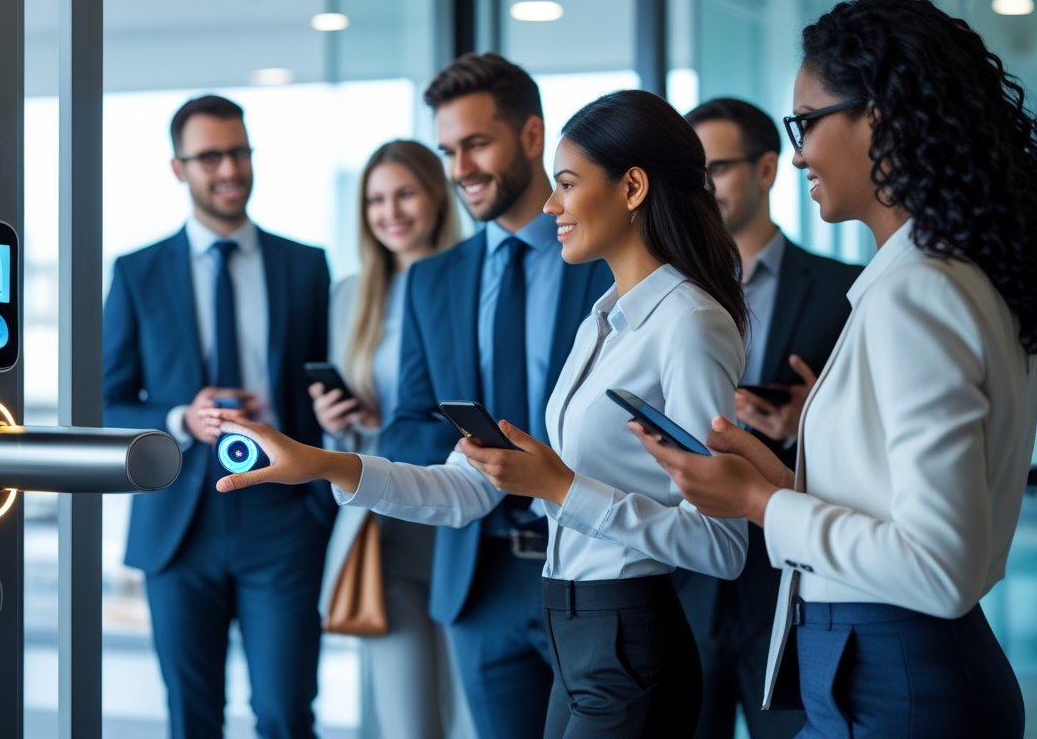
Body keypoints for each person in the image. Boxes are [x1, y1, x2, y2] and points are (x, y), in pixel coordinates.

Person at [207, 89, 753, 738]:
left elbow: (722, 545)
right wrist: (324, 463)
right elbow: (467, 489)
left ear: (631, 187)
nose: (551, 204)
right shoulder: (603, 321)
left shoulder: (690, 324)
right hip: (578, 631)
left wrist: (561, 488)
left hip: (629, 637)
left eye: (568, 183)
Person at [633, 0, 1037, 738]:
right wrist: (777, 482)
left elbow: (938, 567)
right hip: (885, 669)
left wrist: (761, 506)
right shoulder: (937, 277)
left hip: (895, 679)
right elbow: (900, 514)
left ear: (877, 116)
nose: (797, 155)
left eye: (806, 122)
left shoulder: (920, 293)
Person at [370, 52, 614, 739]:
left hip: (592, 566)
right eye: (449, 150)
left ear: (532, 136)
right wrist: (468, 449)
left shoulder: (604, 257)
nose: (460, 168)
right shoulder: (432, 280)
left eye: (477, 143)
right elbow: (405, 427)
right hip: (477, 580)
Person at [102, 95, 335, 738]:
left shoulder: (306, 265)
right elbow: (106, 402)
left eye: (239, 151)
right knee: (192, 717)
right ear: (179, 169)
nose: (228, 168)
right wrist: (182, 416)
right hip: (180, 523)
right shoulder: (137, 272)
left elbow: (325, 388)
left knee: (287, 714)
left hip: (282, 517)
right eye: (210, 157)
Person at [673, 97, 859, 739]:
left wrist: (808, 425)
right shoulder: (672, 298)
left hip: (792, 580)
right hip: (688, 575)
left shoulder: (846, 289)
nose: (704, 188)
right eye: (693, 173)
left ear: (768, 170)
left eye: (717, 168)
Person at [311, 139, 463, 739]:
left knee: (475, 714)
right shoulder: (351, 295)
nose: (390, 212)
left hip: (462, 516)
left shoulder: (471, 281)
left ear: (435, 196)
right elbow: (344, 433)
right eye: (376, 199)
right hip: (385, 522)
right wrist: (333, 417)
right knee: (408, 721)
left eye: (404, 193)